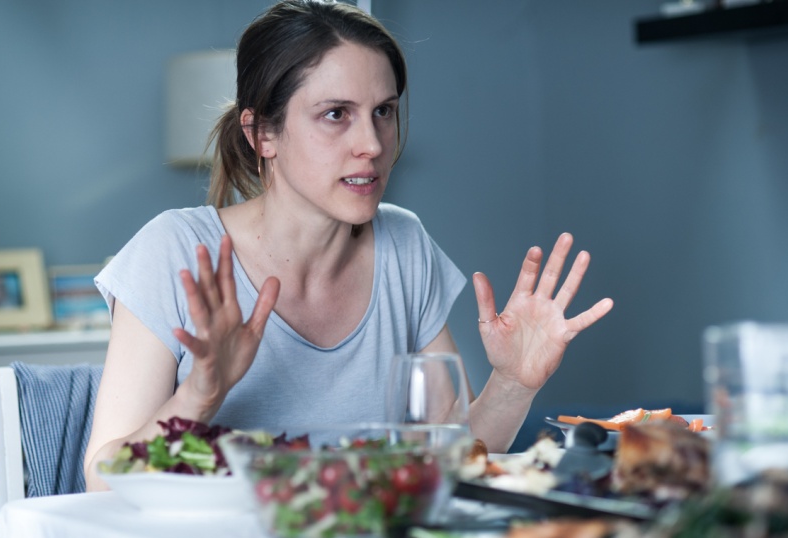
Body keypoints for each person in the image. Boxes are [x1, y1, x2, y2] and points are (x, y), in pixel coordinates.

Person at [83, 0, 613, 491]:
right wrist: (198, 396)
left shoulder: (405, 245)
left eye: (383, 111)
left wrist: (514, 382)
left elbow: (455, 456)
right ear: (262, 133)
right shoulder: (174, 251)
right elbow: (101, 480)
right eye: (336, 114)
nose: (373, 144)